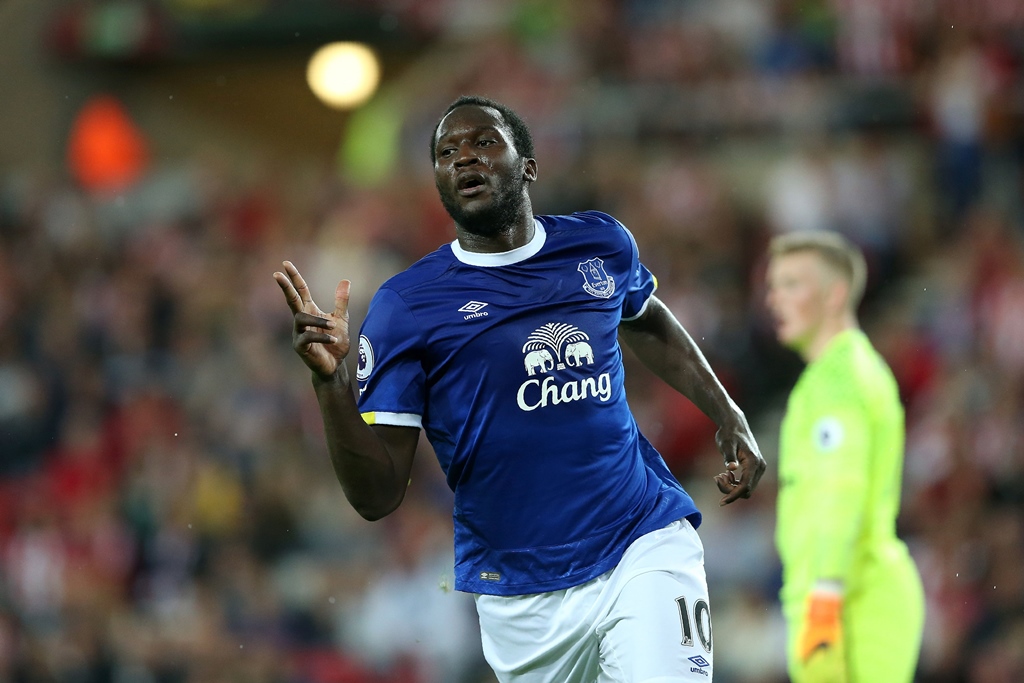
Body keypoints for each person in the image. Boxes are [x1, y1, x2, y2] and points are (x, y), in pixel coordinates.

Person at [274, 95, 766, 683]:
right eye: (446, 151)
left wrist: (726, 410)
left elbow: (647, 317)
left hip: (641, 543)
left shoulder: (599, 245)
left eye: (484, 142)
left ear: (527, 164)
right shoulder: (408, 306)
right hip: (521, 597)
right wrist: (331, 386)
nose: (463, 158)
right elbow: (376, 498)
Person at [765, 231, 925, 683]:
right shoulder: (829, 376)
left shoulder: (842, 377)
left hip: (852, 600)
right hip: (832, 595)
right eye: (773, 286)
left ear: (835, 295)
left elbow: (841, 485)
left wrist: (825, 595)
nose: (774, 299)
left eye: (792, 284)